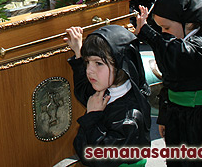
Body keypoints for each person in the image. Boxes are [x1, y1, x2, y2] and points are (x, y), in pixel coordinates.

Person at [135, 0, 202, 167]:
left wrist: (148, 33)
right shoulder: (180, 41)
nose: (163, 33)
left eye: (166, 27)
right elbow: (169, 82)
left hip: (200, 119)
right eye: (160, 28)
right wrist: (164, 117)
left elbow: (178, 53)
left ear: (189, 23)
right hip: (177, 112)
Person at [64, 25, 151, 166]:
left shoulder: (129, 117)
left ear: (121, 64)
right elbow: (84, 91)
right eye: (87, 62)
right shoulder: (108, 89)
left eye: (98, 63)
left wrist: (92, 116)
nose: (89, 71)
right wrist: (79, 52)